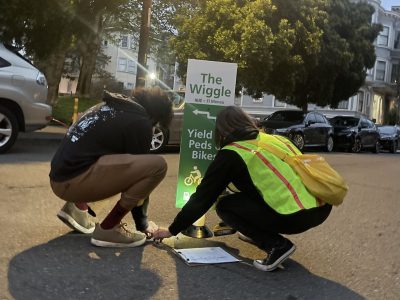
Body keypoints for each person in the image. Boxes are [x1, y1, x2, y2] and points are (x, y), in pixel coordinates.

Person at [153, 106, 332, 271]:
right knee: (247, 191)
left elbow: (203, 197)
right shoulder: (275, 139)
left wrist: (171, 230)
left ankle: (276, 245)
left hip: (295, 216)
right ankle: (258, 234)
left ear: (221, 130)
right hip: (321, 206)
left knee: (225, 206)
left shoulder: (232, 153)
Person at [49, 87, 173, 248]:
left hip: (59, 178)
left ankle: (76, 209)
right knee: (157, 166)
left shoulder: (109, 107)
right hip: (73, 182)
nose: (153, 128)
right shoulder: (140, 122)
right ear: (155, 116)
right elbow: (141, 175)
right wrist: (143, 224)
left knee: (116, 162)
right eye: (156, 124)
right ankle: (108, 228)